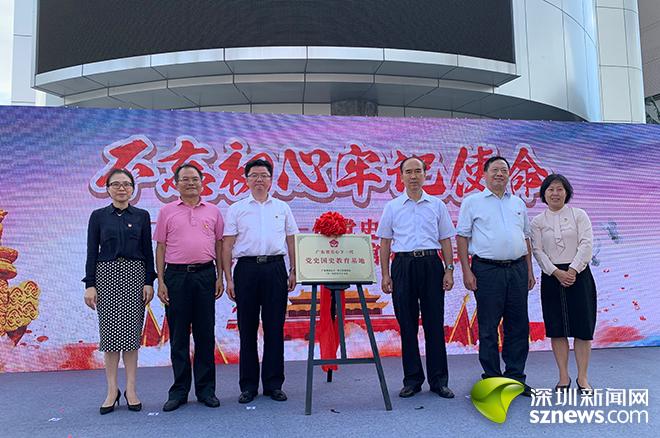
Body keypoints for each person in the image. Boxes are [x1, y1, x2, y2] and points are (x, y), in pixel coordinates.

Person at [376, 156, 456, 399]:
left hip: (432, 264)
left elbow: (445, 239)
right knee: (407, 324)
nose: (413, 176)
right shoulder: (392, 207)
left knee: (434, 323)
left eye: (418, 171)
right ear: (401, 176)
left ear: (425, 175)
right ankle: (412, 380)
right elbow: (385, 243)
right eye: (408, 172)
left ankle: (439, 381)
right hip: (403, 265)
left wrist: (449, 269)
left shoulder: (437, 205)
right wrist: (385, 275)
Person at [456, 156, 536, 396]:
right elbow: (462, 237)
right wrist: (466, 270)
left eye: (504, 170)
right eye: (495, 170)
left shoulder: (518, 203)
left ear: (509, 175)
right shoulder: (472, 202)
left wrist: (529, 270)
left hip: (518, 270)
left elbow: (526, 238)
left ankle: (515, 378)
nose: (500, 174)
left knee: (518, 326)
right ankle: (492, 379)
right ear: (484, 174)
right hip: (487, 270)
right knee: (489, 327)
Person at [223, 158, 298, 404]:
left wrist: (294, 270)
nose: (259, 180)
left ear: (270, 179)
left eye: (264, 175)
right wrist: (228, 278)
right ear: (246, 180)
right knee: (247, 328)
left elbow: (291, 239)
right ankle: (248, 386)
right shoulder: (237, 208)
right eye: (254, 175)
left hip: (275, 268)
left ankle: (274, 384)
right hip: (246, 270)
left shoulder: (282, 207)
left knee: (275, 328)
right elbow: (227, 245)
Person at [83, 168, 155, 415]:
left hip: (135, 276)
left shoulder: (142, 216)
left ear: (133, 189)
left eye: (126, 184)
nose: (121, 188)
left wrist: (149, 281)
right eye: (116, 184)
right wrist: (90, 284)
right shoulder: (98, 216)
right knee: (110, 336)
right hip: (107, 277)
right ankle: (112, 390)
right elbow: (92, 251)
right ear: (108, 189)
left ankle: (131, 389)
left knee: (131, 336)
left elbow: (148, 251)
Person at [154, 164, 224, 411]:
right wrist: (161, 281)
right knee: (179, 336)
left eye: (195, 179)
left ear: (202, 183)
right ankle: (179, 391)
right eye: (185, 179)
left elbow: (219, 245)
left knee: (205, 335)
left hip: (205, 275)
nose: (190, 183)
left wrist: (220, 277)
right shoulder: (167, 211)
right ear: (176, 184)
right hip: (176, 277)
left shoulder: (213, 211)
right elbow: (160, 247)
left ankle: (206, 390)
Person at [530, 174, 596, 395]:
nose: (555, 193)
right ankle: (563, 377)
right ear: (544, 194)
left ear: (567, 192)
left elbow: (586, 244)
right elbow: (537, 251)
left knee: (582, 329)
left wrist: (573, 270)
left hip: (580, 275)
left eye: (559, 189)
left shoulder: (579, 215)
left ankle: (583, 378)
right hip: (552, 277)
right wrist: (556, 272)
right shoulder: (537, 222)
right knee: (557, 329)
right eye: (550, 189)